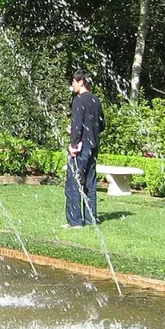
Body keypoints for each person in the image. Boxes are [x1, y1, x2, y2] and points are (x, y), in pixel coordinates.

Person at [65, 71, 104, 229]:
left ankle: (75, 221)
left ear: (81, 82)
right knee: (90, 183)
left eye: (74, 81)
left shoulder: (79, 100)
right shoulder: (96, 101)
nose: (72, 85)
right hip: (93, 146)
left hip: (80, 147)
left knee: (74, 183)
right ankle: (91, 218)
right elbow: (102, 125)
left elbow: (77, 124)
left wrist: (73, 142)